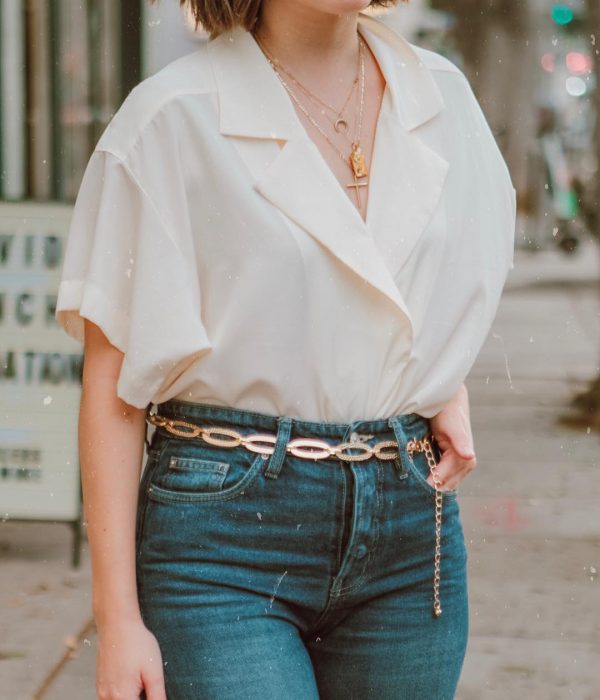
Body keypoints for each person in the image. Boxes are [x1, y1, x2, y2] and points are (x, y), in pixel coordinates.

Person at [54, 0, 516, 698]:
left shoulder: (443, 96)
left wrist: (436, 382)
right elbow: (114, 389)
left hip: (407, 530)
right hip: (225, 538)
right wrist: (116, 619)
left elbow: (407, 275)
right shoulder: (170, 119)